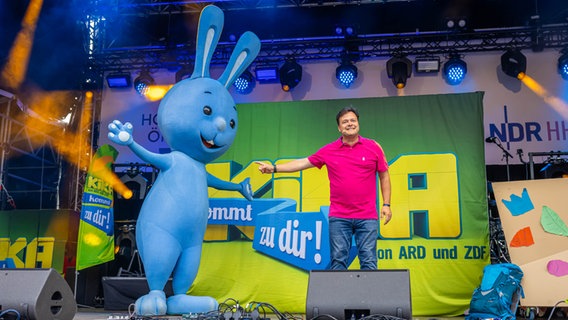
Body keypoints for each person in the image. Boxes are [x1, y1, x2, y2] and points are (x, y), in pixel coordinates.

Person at [255, 106, 392, 270]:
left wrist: (386, 204)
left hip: (367, 216)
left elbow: (384, 176)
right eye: (345, 122)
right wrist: (274, 168)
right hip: (339, 216)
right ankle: (338, 297)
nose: (350, 124)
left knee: (369, 261)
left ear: (358, 123)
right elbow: (303, 162)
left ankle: (369, 297)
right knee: (338, 261)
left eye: (353, 120)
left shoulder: (373, 147)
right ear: (339, 128)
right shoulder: (329, 150)